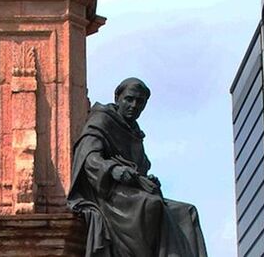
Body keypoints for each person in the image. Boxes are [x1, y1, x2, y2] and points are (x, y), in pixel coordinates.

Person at [68, 78, 208, 256]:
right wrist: (113, 169)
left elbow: (139, 167)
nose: (134, 105)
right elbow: (89, 157)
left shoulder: (134, 131)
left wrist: (145, 180)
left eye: (140, 102)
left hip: (131, 191)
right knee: (152, 204)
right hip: (108, 193)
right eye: (129, 99)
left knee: (187, 212)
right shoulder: (102, 120)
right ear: (118, 97)